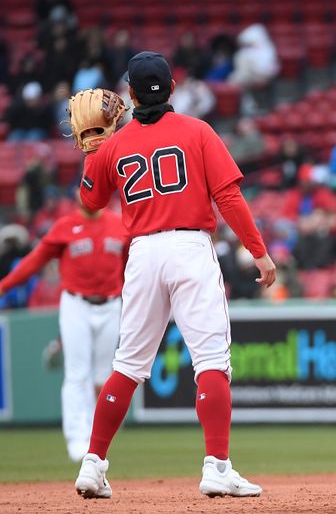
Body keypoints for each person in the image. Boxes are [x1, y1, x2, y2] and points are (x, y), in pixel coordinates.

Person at [73, 52, 276, 499]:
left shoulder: (115, 144)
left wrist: (93, 150)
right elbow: (228, 197)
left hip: (142, 254)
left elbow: (90, 203)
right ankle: (217, 466)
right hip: (189, 248)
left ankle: (93, 462)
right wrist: (259, 253)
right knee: (211, 362)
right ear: (172, 88)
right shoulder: (197, 131)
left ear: (129, 93)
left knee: (127, 366)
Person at [0, 198, 128, 463]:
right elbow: (34, 261)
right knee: (77, 373)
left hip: (111, 304)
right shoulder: (65, 226)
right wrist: (4, 286)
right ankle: (76, 438)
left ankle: (96, 441)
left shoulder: (119, 225)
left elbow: (132, 268)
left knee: (104, 377)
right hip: (76, 303)